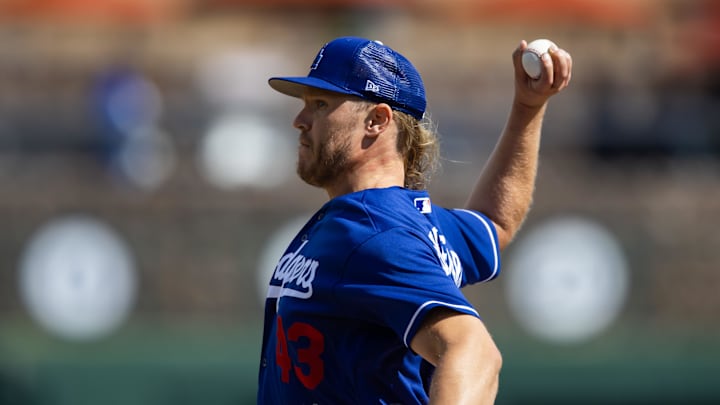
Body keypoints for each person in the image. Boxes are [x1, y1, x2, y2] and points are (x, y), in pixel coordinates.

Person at [258, 36, 572, 404]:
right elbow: (493, 222)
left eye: (321, 104)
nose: (300, 120)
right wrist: (527, 108)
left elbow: (474, 351)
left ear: (377, 120)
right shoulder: (411, 223)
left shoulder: (372, 233)